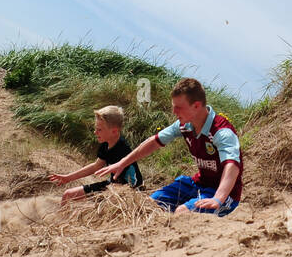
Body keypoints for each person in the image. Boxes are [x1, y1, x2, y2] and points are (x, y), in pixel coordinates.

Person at [92, 77, 243, 216]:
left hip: (224, 193)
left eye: (178, 107)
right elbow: (154, 141)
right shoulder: (185, 125)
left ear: (196, 106)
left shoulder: (221, 132)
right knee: (148, 204)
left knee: (183, 212)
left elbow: (232, 166)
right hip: (197, 184)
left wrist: (218, 199)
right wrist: (123, 163)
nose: (173, 111)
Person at [52, 106, 143, 202]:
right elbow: (96, 166)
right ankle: (62, 217)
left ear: (114, 131)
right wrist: (68, 178)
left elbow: (134, 183)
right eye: (95, 129)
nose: (95, 132)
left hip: (127, 192)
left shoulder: (123, 150)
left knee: (94, 205)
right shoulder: (106, 144)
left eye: (99, 130)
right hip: (111, 186)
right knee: (68, 195)